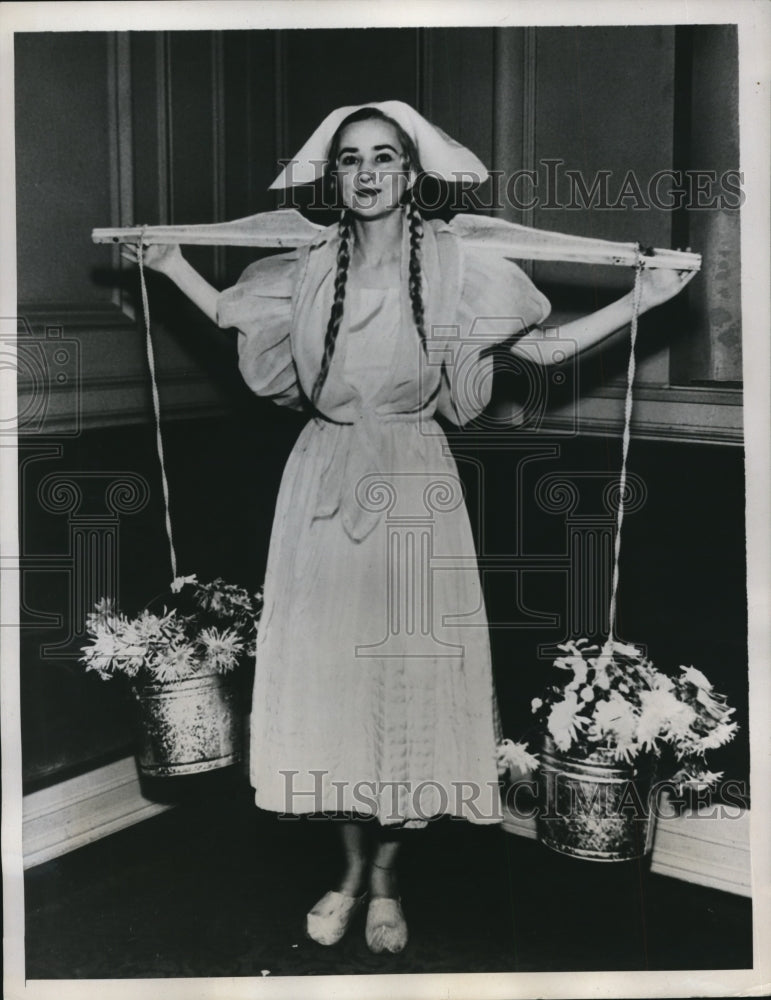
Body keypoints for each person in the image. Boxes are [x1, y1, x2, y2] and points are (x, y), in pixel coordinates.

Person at [123, 100, 695, 954]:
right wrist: (169, 264)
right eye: (349, 159)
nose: (365, 173)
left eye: (383, 157)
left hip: (413, 484)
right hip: (319, 479)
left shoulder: (459, 263)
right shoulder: (311, 262)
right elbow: (233, 319)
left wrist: (638, 302)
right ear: (333, 176)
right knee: (333, 692)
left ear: (411, 174)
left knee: (402, 682)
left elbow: (531, 354)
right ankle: (347, 872)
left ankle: (386, 878)